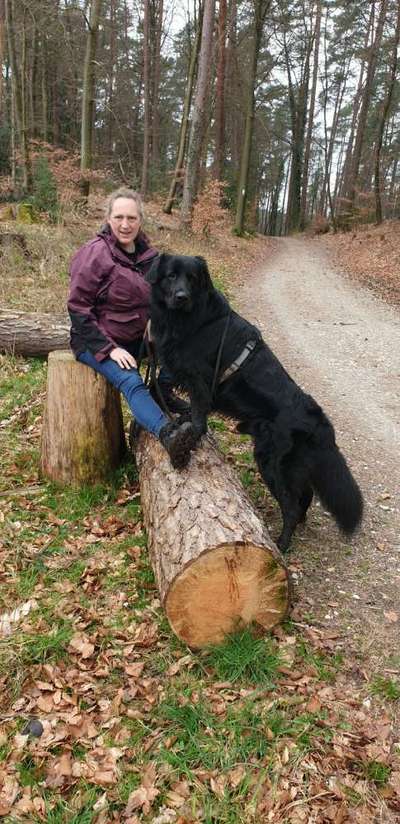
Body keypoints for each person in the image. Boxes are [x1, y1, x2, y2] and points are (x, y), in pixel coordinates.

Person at [67, 187, 195, 469]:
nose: (125, 225)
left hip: (137, 336)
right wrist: (109, 349)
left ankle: (162, 392)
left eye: (132, 218)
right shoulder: (93, 254)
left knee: (185, 346)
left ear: (140, 220)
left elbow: (161, 297)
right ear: (108, 218)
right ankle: (169, 435)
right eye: (119, 217)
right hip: (96, 342)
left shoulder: (150, 256)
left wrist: (154, 320)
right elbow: (78, 309)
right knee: (130, 379)